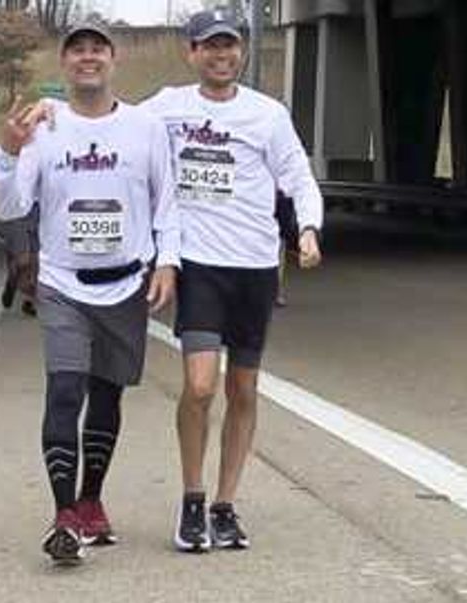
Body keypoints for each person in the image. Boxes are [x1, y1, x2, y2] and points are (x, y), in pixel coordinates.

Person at [0, 23, 180, 564]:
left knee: (107, 397)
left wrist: (167, 261)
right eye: (77, 50)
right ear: (64, 63)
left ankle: (91, 499)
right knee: (65, 392)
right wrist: (8, 153)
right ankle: (64, 516)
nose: (88, 58)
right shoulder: (42, 129)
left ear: (113, 60)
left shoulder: (145, 128)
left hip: (126, 283)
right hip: (62, 284)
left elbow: (166, 202)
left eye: (97, 49)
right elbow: (8, 206)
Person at [141, 9, 324, 553]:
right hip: (198, 265)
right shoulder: (168, 107)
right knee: (199, 387)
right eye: (209, 46)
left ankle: (224, 504)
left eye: (230, 46)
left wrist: (308, 229)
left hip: (255, 269)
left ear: (240, 52)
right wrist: (51, 116)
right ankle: (192, 498)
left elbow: (297, 176)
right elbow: (113, 120)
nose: (221, 55)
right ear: (191, 52)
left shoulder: (267, 115)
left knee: (243, 388)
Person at [0, 203, 40, 317]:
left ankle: (30, 301)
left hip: (40, 212)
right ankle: (12, 281)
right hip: (17, 214)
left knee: (36, 259)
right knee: (21, 261)